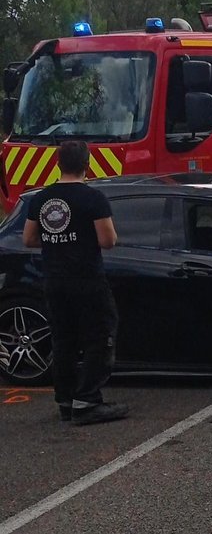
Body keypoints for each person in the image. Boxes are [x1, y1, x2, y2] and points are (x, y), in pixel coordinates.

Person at [21, 141, 126, 425]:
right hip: (87, 280)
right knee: (100, 337)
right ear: (87, 165)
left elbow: (28, 239)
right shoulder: (93, 198)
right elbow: (108, 240)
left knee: (63, 341)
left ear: (58, 164)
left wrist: (57, 241)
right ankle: (87, 400)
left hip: (54, 281)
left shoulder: (41, 198)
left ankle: (65, 400)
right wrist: (81, 239)